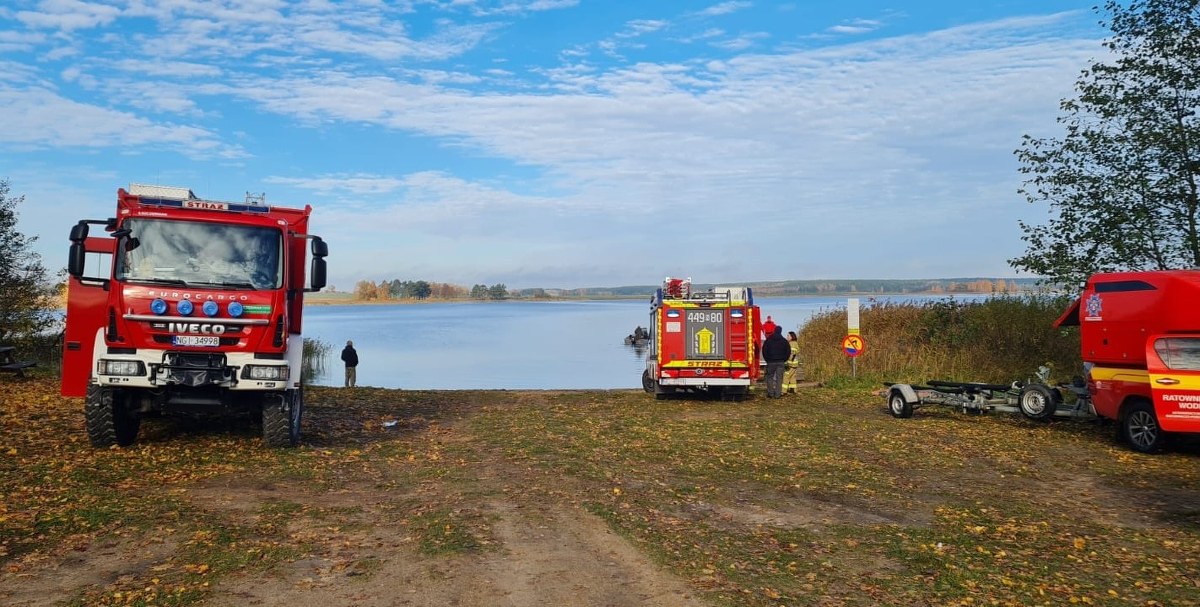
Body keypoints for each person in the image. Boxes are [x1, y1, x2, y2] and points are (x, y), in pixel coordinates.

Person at [761, 326, 790, 398]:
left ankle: (770, 394)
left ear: (774, 330)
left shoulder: (768, 340)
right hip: (780, 362)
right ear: (781, 331)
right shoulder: (784, 341)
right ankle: (777, 394)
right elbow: (788, 352)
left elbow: (764, 350)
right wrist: (784, 360)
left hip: (770, 362)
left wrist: (767, 360)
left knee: (769, 377)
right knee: (779, 378)